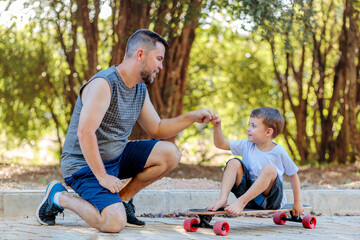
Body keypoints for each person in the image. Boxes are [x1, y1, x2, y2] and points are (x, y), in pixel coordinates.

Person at [36, 29, 213, 233]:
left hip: (116, 158)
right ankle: (59, 197)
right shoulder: (104, 84)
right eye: (158, 59)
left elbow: (157, 128)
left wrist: (192, 117)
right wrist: (102, 177)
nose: (161, 67)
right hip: (83, 166)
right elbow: (85, 132)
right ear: (140, 55)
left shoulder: (139, 89)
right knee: (113, 223)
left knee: (170, 154)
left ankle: (122, 200)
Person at [207, 107, 303, 216]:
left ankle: (240, 202)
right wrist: (217, 126)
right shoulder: (246, 145)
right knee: (233, 162)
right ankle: (223, 199)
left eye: (253, 126)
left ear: (268, 131)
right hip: (249, 198)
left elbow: (293, 175)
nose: (248, 129)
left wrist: (297, 202)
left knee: (270, 169)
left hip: (270, 201)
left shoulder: (279, 151)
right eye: (249, 124)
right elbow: (221, 144)